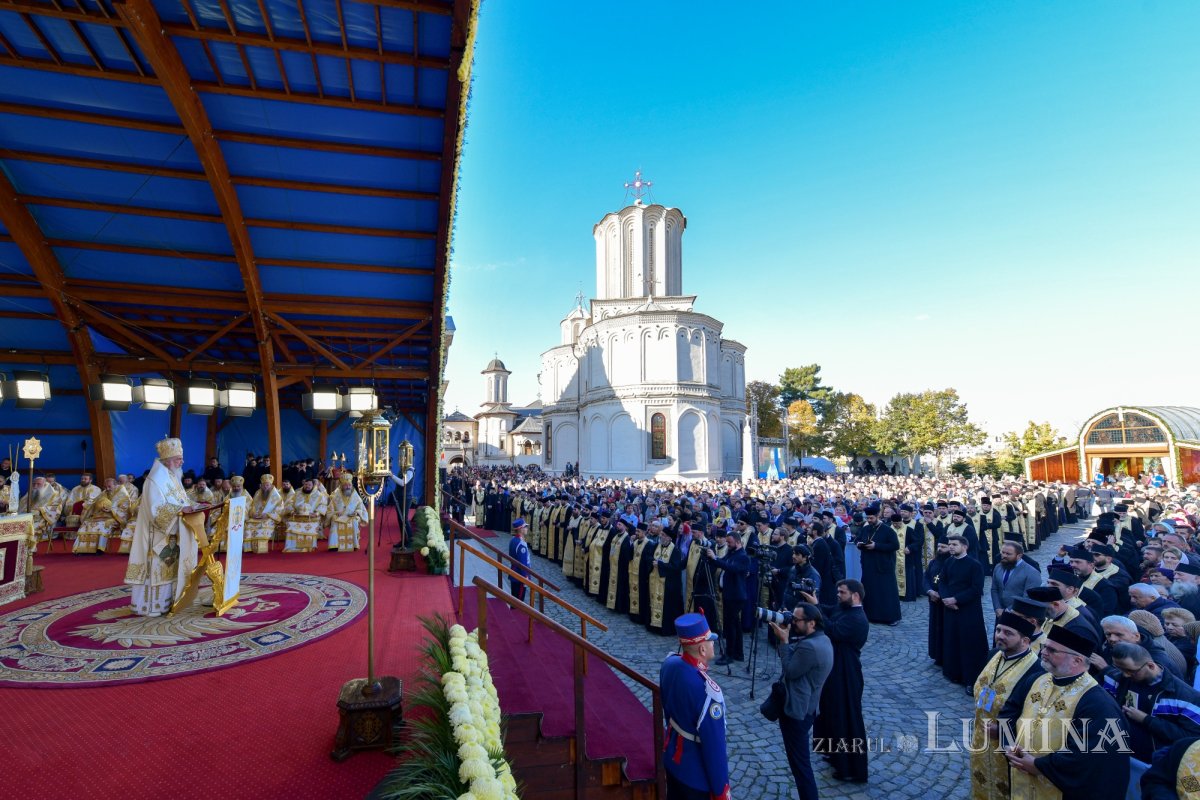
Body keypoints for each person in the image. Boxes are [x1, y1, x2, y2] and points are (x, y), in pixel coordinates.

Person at [1005, 625, 1131, 798]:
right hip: (1023, 778)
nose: (1043, 652)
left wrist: (1039, 765)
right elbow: (1010, 712)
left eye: (1052, 650)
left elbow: (1088, 756)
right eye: (1044, 646)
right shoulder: (1037, 680)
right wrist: (1009, 744)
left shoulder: (1098, 704)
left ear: (1077, 661)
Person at [1105, 641, 1200, 795]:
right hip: (1123, 758)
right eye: (1120, 669)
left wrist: (1146, 720)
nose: (1125, 674)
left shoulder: (1187, 697)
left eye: (1130, 671)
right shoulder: (1121, 679)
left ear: (1150, 666)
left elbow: (1191, 739)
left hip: (1156, 768)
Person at [970, 611, 1045, 800]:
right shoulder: (995, 654)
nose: (1000, 636)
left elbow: (1034, 714)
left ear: (1025, 640)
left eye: (1008, 633)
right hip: (981, 735)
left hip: (1009, 746)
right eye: (998, 630)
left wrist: (1004, 730)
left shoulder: (1036, 671)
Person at [123, 438, 199, 617]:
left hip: (172, 532)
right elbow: (155, 509)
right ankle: (151, 607)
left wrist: (194, 505)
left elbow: (180, 500)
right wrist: (182, 509)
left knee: (170, 568)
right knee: (159, 567)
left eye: (181, 458)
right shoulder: (156, 479)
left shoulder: (172, 476)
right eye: (178, 458)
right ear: (168, 460)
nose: (182, 462)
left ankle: (168, 602)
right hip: (156, 535)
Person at [659, 613, 730, 800]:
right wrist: (721, 790)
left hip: (673, 758)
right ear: (702, 649)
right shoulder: (708, 691)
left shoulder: (669, 664)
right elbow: (714, 747)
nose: (713, 643)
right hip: (695, 776)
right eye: (710, 641)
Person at [768, 603, 833, 800]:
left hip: (798, 712)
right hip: (809, 707)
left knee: (800, 765)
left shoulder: (809, 647)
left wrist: (784, 642)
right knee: (800, 763)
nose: (792, 622)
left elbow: (790, 670)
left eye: (796, 620)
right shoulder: (823, 639)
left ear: (811, 623)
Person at [808, 579, 870, 784]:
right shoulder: (844, 607)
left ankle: (850, 767)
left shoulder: (858, 619)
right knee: (830, 711)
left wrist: (816, 608)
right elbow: (829, 609)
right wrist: (814, 602)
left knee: (845, 717)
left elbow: (832, 629)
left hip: (847, 673)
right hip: (834, 669)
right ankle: (831, 752)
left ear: (855, 596)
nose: (838, 595)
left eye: (842, 593)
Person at [938, 534, 989, 687]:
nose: (951, 547)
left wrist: (956, 599)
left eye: (954, 544)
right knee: (952, 640)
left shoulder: (974, 565)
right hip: (950, 608)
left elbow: (976, 589)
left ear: (964, 547)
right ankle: (953, 672)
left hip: (969, 610)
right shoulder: (948, 562)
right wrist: (946, 599)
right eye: (950, 544)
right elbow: (943, 581)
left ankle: (970, 679)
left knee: (969, 643)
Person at [709, 529, 749, 664]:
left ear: (738, 542)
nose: (728, 544)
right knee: (735, 625)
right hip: (729, 593)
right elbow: (722, 562)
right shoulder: (731, 553)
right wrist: (712, 558)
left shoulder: (743, 556)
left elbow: (731, 568)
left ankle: (729, 654)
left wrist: (715, 558)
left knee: (730, 626)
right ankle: (738, 653)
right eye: (727, 542)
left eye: (730, 542)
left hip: (736, 596)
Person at [856, 503, 901, 625]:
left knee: (886, 592)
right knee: (870, 591)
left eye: (871, 518)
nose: (869, 520)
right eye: (867, 518)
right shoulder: (865, 528)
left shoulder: (888, 530)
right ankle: (871, 616)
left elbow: (895, 545)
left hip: (883, 566)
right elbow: (858, 539)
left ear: (877, 516)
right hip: (868, 565)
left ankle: (891, 617)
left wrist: (876, 546)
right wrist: (860, 544)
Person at [73, 477, 131, 554]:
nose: (107, 488)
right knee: (86, 523)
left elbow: (125, 509)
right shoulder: (104, 492)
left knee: (102, 525)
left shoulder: (123, 495)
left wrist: (111, 510)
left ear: (115, 485)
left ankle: (99, 549)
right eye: (105, 486)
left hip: (115, 518)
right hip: (100, 516)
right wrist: (88, 505)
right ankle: (81, 549)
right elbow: (95, 502)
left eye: (109, 486)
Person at [990, 540, 1043, 617]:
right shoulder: (998, 567)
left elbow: (1028, 598)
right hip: (1000, 614)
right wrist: (997, 608)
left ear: (1019, 556)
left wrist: (1008, 611)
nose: (1004, 556)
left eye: (1008, 554)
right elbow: (994, 589)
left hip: (1019, 615)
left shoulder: (1032, 572)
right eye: (1003, 552)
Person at [328, 473, 367, 551]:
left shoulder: (356, 496)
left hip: (351, 516)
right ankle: (334, 545)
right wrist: (335, 513)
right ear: (341, 486)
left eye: (349, 485)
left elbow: (361, 508)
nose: (348, 487)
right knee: (334, 520)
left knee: (355, 521)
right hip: (339, 516)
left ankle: (354, 544)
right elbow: (330, 509)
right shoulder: (336, 496)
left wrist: (356, 512)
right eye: (345, 485)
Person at [246, 474, 284, 553]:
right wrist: (253, 513)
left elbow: (280, 509)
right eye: (264, 485)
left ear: (271, 485)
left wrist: (268, 515)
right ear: (261, 485)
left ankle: (261, 548)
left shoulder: (276, 496)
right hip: (257, 517)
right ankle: (250, 548)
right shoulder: (257, 493)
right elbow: (252, 506)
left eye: (267, 485)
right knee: (248, 523)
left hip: (270, 518)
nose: (265, 487)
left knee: (263, 524)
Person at [508, 518, 531, 601]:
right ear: (520, 529)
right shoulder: (521, 544)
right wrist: (525, 577)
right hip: (519, 576)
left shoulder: (513, 540)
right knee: (519, 601)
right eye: (525, 527)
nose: (527, 529)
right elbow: (523, 563)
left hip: (514, 572)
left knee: (514, 599)